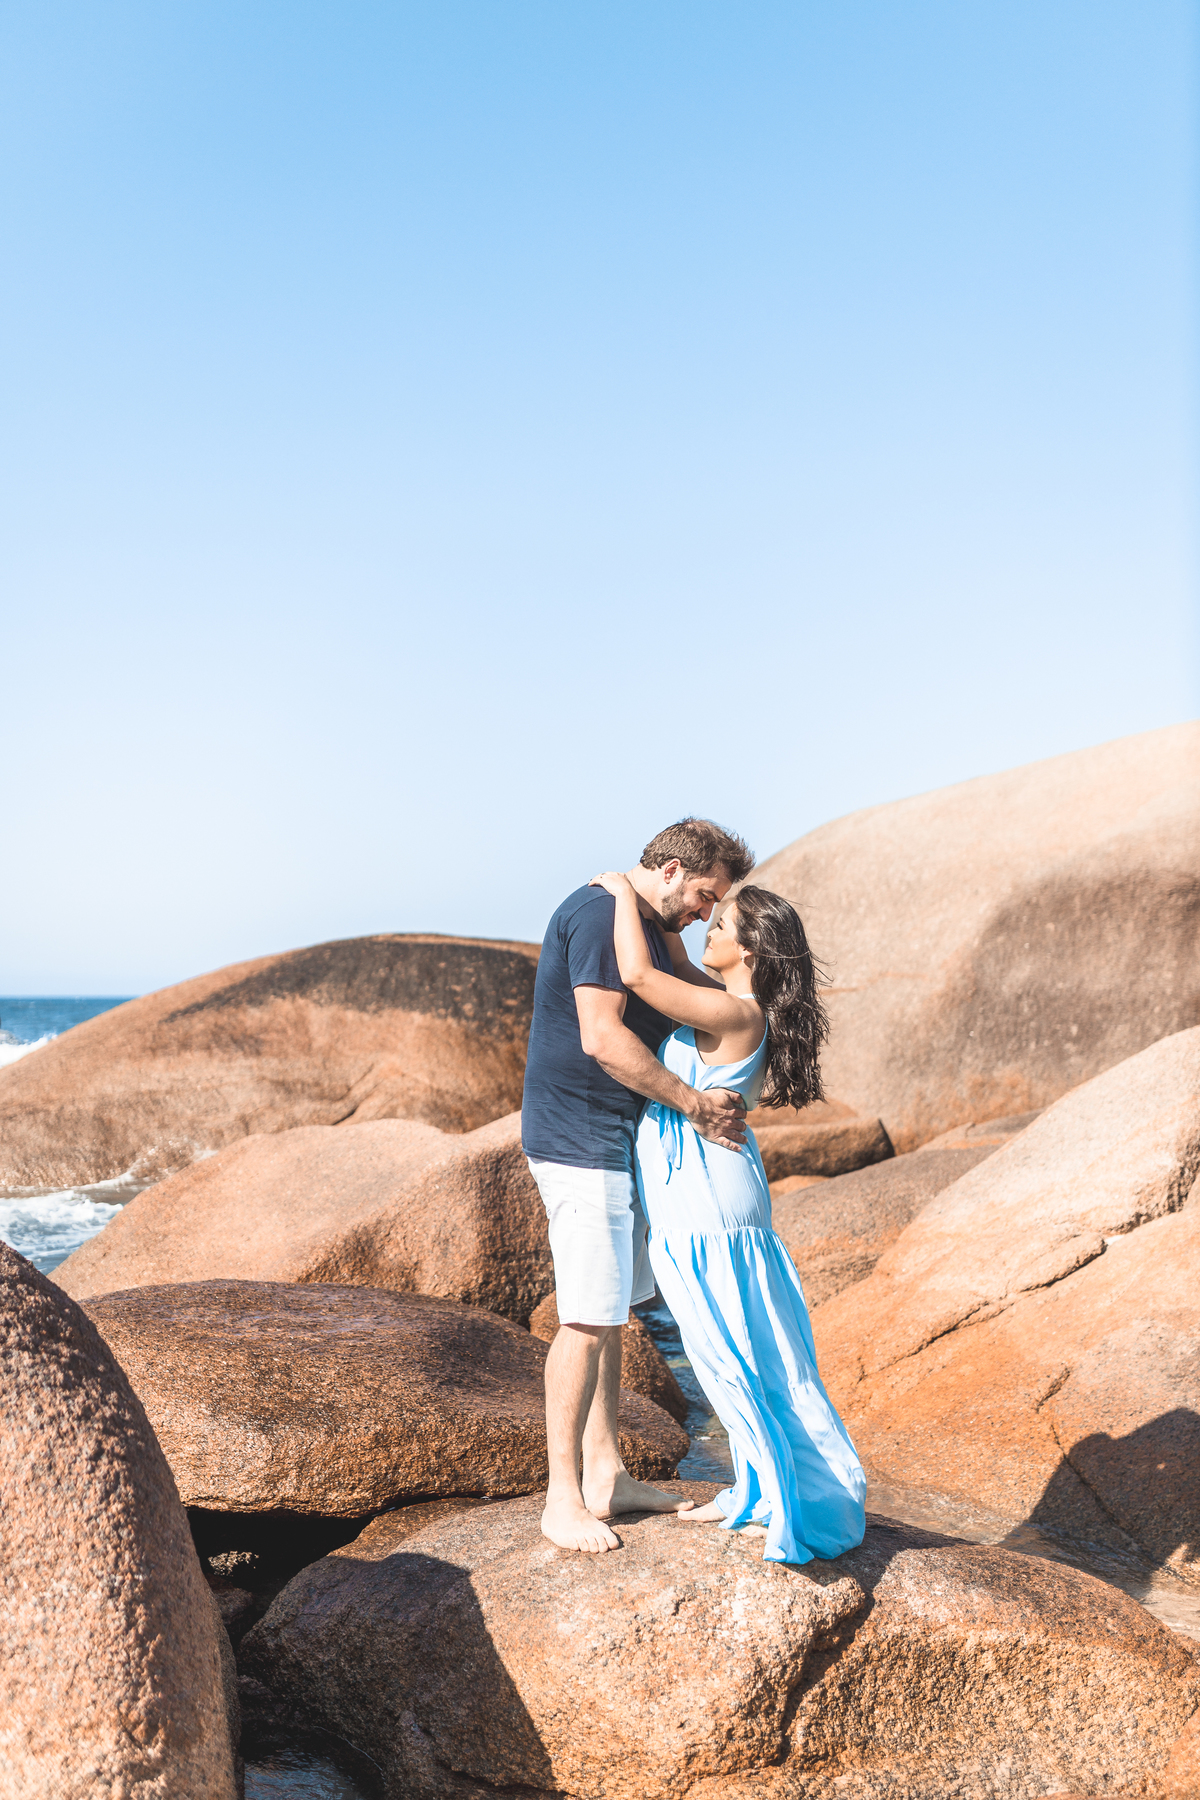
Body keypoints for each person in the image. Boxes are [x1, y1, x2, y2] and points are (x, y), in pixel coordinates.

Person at [588, 869, 866, 1566]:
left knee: (734, 1353)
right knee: (730, 1352)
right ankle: (756, 1487)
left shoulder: (737, 1013)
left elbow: (642, 976)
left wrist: (623, 894)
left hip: (710, 1201)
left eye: (721, 922)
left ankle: (790, 1499)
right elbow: (673, 965)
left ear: (747, 952)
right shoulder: (726, 1000)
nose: (707, 926)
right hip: (708, 1192)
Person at [522, 818, 756, 1554]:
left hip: (617, 1140)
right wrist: (691, 1104)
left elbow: (703, 993)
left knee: (614, 1310)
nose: (704, 912)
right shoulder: (597, 914)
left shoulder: (655, 930)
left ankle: (607, 1472)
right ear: (674, 868)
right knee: (586, 1320)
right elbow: (601, 1035)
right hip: (577, 1140)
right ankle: (562, 1498)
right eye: (703, 895)